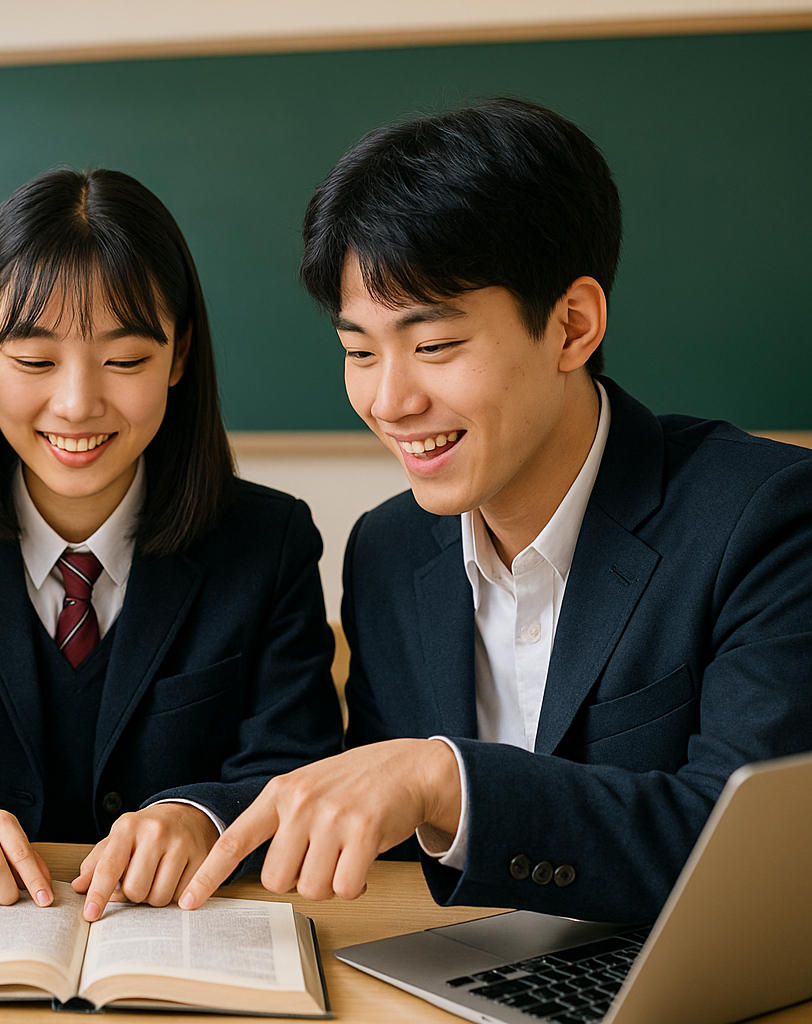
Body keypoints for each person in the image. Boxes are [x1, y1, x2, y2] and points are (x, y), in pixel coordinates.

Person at [181, 98, 812, 923]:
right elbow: (388, 834)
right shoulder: (389, 550)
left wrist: (449, 779)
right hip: (455, 978)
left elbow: (752, 865)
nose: (390, 399)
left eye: (434, 346)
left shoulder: (764, 517)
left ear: (572, 326)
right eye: (358, 351)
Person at [0, 167, 342, 921]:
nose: (78, 404)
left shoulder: (268, 542)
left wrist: (199, 814)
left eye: (124, 360)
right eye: (35, 360)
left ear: (180, 356)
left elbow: (300, 767)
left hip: (191, 933)